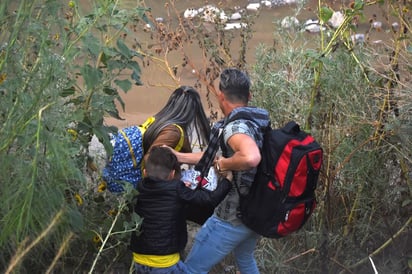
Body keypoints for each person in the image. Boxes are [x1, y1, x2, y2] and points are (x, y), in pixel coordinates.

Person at [171, 68, 270, 273]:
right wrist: (177, 156)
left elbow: (251, 157)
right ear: (249, 96)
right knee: (245, 259)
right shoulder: (255, 121)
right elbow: (213, 157)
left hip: (231, 217)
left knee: (191, 269)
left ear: (220, 95)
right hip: (254, 210)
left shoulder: (235, 128)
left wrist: (224, 166)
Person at [129, 146, 233, 274]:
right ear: (172, 174)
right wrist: (228, 180)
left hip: (139, 258)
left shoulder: (140, 187)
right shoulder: (177, 189)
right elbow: (209, 200)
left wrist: (181, 191)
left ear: (145, 172)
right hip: (165, 262)